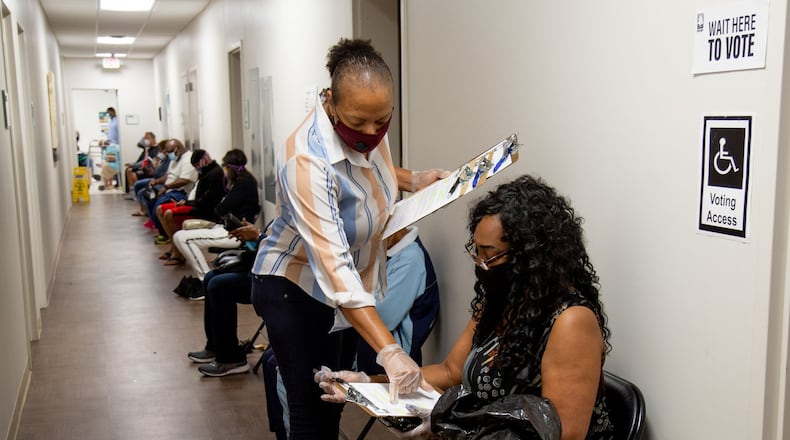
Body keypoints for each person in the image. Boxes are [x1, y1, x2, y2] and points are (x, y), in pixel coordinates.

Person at [250, 37, 446, 439]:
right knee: (309, 408)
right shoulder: (305, 161)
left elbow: (370, 167)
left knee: (334, 394)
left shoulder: (367, 119)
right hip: (295, 286)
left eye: (382, 121)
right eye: (358, 123)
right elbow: (334, 268)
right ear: (330, 101)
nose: (372, 133)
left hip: (343, 290)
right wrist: (389, 351)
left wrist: (414, 180)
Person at [317, 175, 615, 440]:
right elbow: (450, 372)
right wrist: (372, 385)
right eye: (476, 250)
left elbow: (563, 431)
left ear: (531, 256)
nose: (480, 264)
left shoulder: (571, 321)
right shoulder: (499, 301)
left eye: (490, 254)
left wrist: (453, 425)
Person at [265, 225, 440, 439]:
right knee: (276, 358)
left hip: (380, 352)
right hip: (360, 336)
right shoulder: (386, 249)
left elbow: (382, 318)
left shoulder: (410, 258)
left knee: (284, 367)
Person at [186, 221, 263, 375]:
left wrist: (258, 236)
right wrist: (253, 236)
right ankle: (215, 347)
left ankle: (231, 359)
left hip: (278, 278)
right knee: (210, 277)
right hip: (262, 266)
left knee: (219, 285)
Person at [171, 148, 260, 277]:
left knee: (182, 238)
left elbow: (220, 209)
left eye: (224, 166)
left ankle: (204, 277)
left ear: (229, 167)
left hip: (235, 234)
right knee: (182, 232)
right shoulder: (244, 181)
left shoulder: (243, 184)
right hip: (226, 228)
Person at [157, 149, 225, 264]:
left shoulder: (215, 174)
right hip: (193, 202)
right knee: (160, 209)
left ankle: (178, 253)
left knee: (169, 213)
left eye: (197, 165)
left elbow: (207, 202)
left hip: (203, 210)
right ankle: (174, 247)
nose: (196, 168)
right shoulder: (205, 172)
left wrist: (187, 203)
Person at [144, 138, 198, 243]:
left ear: (177, 149)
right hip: (169, 188)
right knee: (149, 195)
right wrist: (157, 181)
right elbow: (169, 175)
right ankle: (161, 230)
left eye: (169, 152)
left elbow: (184, 180)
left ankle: (166, 234)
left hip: (181, 191)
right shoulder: (175, 158)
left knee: (159, 204)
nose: (169, 155)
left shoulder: (188, 159)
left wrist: (166, 187)